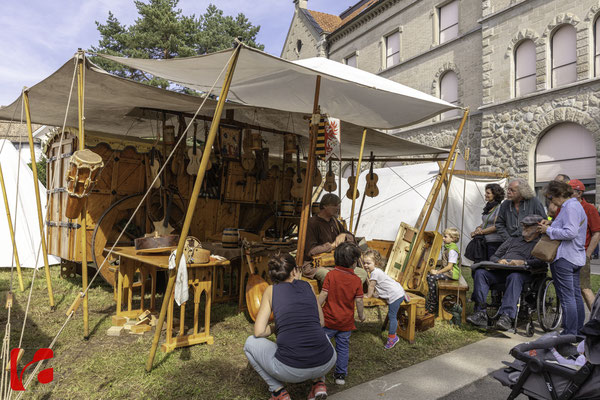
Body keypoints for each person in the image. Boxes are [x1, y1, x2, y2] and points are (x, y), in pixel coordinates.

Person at [244, 254, 336, 400]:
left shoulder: (271, 291)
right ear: (294, 271)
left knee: (249, 343)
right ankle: (319, 384)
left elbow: (259, 331)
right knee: (318, 333)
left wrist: (276, 328)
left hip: (292, 370)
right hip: (327, 361)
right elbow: (321, 322)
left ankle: (278, 392)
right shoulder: (308, 286)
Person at [466, 215, 547, 331]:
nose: (524, 228)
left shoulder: (540, 243)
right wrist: (499, 260)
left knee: (514, 276)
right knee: (480, 273)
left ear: (537, 228)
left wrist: (522, 262)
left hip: (524, 275)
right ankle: (480, 312)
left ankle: (507, 316)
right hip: (502, 271)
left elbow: (541, 262)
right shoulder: (513, 239)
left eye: (528, 226)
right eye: (524, 225)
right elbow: (495, 255)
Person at [538, 181, 587, 335]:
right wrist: (552, 224)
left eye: (551, 198)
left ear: (557, 195)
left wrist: (549, 230)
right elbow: (570, 227)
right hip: (575, 257)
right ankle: (577, 331)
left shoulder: (570, 207)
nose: (551, 201)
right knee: (575, 296)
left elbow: (570, 232)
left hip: (565, 257)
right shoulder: (574, 205)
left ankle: (570, 332)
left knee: (567, 299)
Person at [318, 242, 365, 386]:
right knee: (343, 348)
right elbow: (359, 302)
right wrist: (361, 316)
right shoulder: (357, 280)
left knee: (322, 346)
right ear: (353, 263)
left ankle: (320, 374)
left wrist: (316, 308)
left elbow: (323, 295)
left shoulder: (331, 275)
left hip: (328, 321)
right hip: (346, 323)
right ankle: (340, 375)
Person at [302, 193, 368, 284]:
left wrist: (344, 235)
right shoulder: (312, 223)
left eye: (338, 205)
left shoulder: (335, 221)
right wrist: (332, 246)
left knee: (362, 273)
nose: (338, 208)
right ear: (324, 206)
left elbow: (352, 237)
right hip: (315, 265)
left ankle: (347, 295)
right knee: (328, 276)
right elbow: (311, 251)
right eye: (334, 205)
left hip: (336, 263)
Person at [363, 249, 408, 350]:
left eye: (368, 263)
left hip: (395, 295)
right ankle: (403, 294)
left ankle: (393, 338)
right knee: (393, 289)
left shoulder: (375, 273)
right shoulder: (377, 271)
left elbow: (371, 286)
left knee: (392, 316)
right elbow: (383, 285)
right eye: (364, 263)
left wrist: (368, 295)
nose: (365, 265)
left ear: (376, 263)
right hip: (397, 289)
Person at [568, 179, 600, 311]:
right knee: (571, 291)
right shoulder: (565, 207)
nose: (566, 194)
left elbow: (597, 233)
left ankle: (596, 320)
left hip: (581, 254)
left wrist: (587, 254)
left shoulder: (589, 209)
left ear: (579, 193)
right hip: (567, 255)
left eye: (570, 192)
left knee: (584, 288)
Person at [425, 228, 461, 314]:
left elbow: (449, 267)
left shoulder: (452, 250)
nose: (443, 238)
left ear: (453, 239)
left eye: (445, 236)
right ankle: (432, 299)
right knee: (429, 276)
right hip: (448, 273)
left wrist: (437, 272)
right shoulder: (448, 247)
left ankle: (433, 303)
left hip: (452, 274)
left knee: (431, 278)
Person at [471, 183, 506, 260]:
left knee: (491, 265)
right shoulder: (489, 208)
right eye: (485, 192)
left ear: (495, 195)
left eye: (488, 193)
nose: (485, 195)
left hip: (494, 243)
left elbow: (496, 226)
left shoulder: (499, 208)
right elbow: (485, 222)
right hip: (486, 242)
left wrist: (481, 232)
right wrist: (478, 228)